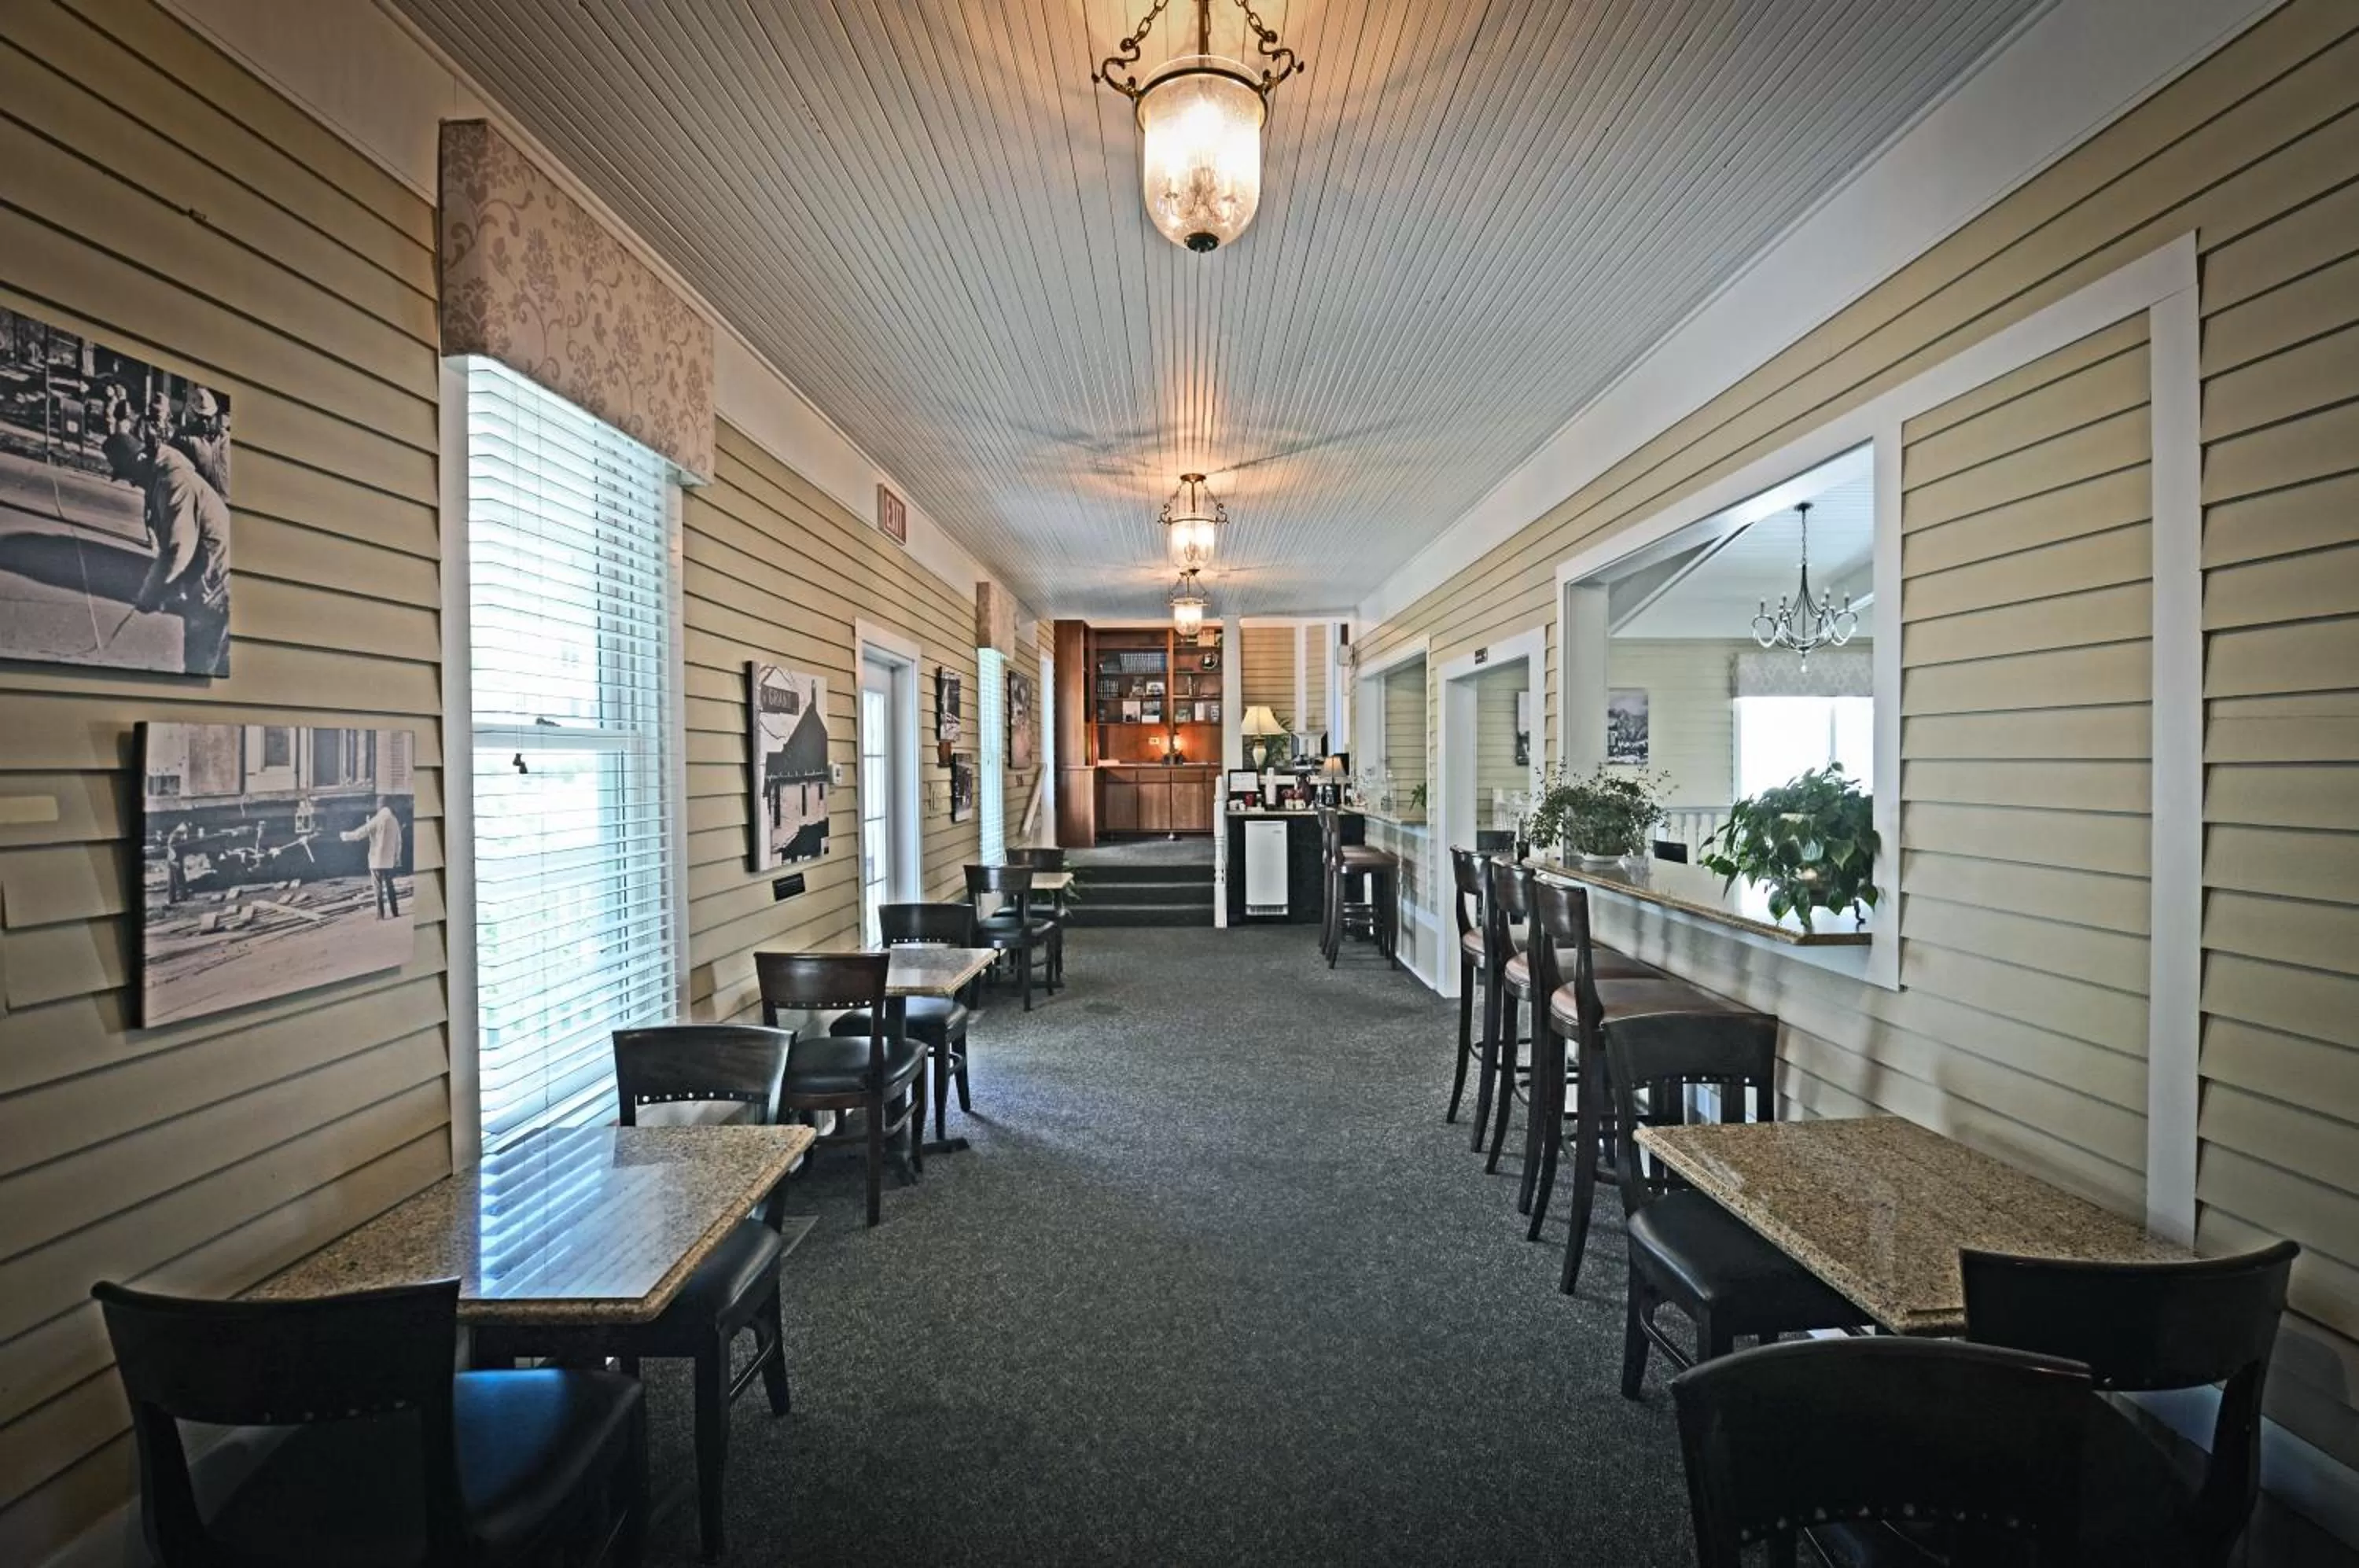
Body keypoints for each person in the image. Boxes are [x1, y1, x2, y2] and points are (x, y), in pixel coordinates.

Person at [107, 420, 230, 676]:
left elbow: (178, 549)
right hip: (216, 574)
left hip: (216, 579)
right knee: (217, 660)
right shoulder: (166, 476)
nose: (130, 483)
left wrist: (150, 595)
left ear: (139, 460)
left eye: (128, 474)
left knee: (200, 663)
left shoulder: (174, 481)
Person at [342, 796, 406, 919]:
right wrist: (397, 857)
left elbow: (362, 832)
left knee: (378, 888)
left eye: (378, 803)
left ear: (381, 805)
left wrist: (346, 836)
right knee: (390, 886)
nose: (377, 806)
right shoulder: (394, 820)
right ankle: (395, 912)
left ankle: (380, 915)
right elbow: (399, 841)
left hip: (376, 859)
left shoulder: (377, 819)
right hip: (389, 860)